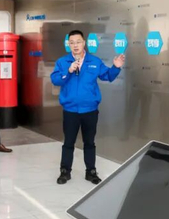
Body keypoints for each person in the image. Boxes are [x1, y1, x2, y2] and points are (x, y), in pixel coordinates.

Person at [50, 29, 125, 185]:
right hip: (70, 110)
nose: (75, 45)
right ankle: (65, 171)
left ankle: (91, 172)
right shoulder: (63, 62)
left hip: (90, 110)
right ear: (69, 45)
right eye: (72, 43)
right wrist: (69, 71)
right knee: (68, 142)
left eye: (78, 42)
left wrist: (116, 67)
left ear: (84, 43)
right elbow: (56, 80)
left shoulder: (94, 61)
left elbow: (107, 76)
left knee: (89, 142)